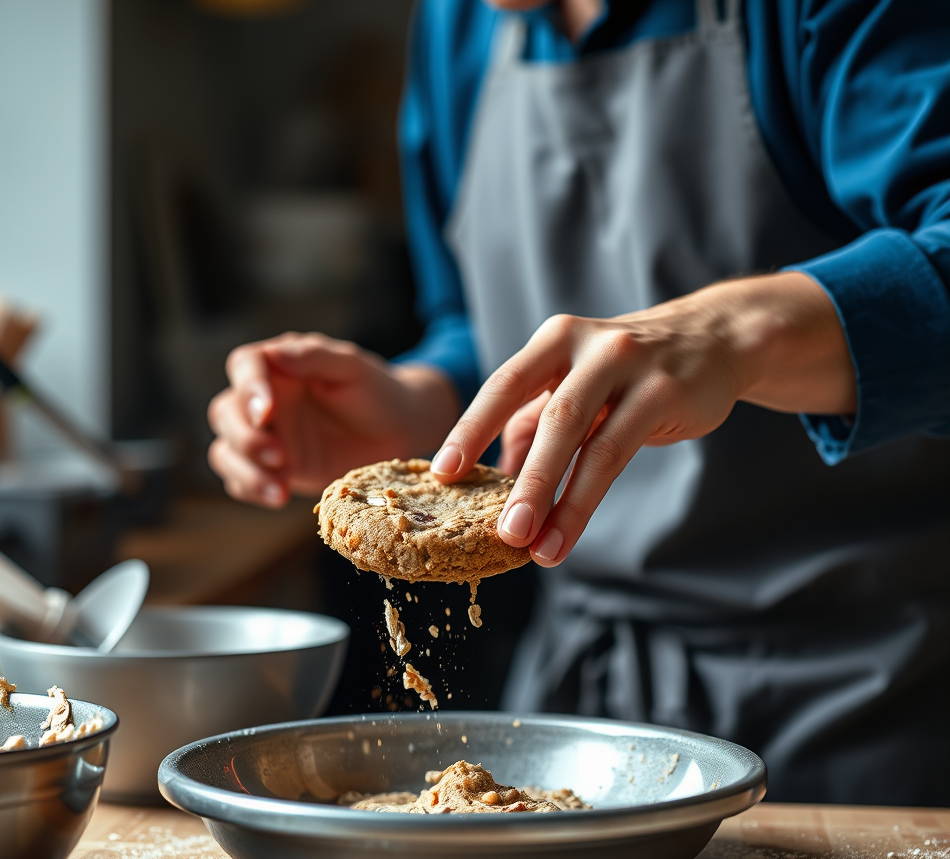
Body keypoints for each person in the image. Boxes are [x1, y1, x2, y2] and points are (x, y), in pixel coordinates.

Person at [208, 0, 950, 805]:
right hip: (578, 711)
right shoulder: (461, 25)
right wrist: (427, 406)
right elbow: (475, 319)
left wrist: (736, 336)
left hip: (859, 698)